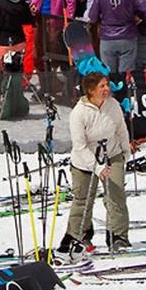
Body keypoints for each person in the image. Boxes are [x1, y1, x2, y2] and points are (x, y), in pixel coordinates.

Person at [58, 73, 132, 253]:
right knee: (83, 199)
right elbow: (80, 146)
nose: (107, 89)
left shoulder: (113, 105)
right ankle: (78, 235)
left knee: (116, 195)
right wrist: (97, 168)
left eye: (107, 85)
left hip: (111, 154)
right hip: (85, 161)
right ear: (91, 91)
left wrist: (125, 153)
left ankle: (118, 236)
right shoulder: (79, 113)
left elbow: (121, 129)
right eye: (102, 86)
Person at [87, 0, 145, 75]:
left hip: (107, 38)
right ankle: (126, 92)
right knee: (126, 75)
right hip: (127, 36)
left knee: (109, 75)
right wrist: (137, 18)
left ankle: (112, 93)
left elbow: (92, 17)